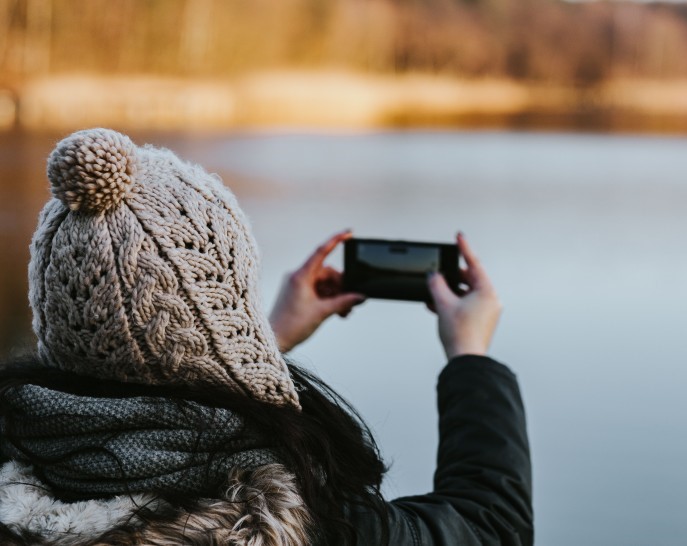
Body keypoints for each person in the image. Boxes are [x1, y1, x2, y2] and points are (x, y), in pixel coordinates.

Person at [0, 128, 533, 546]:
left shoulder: (16, 475)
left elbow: (143, 397)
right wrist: (470, 356)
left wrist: (267, 342)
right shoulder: (307, 520)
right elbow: (489, 526)